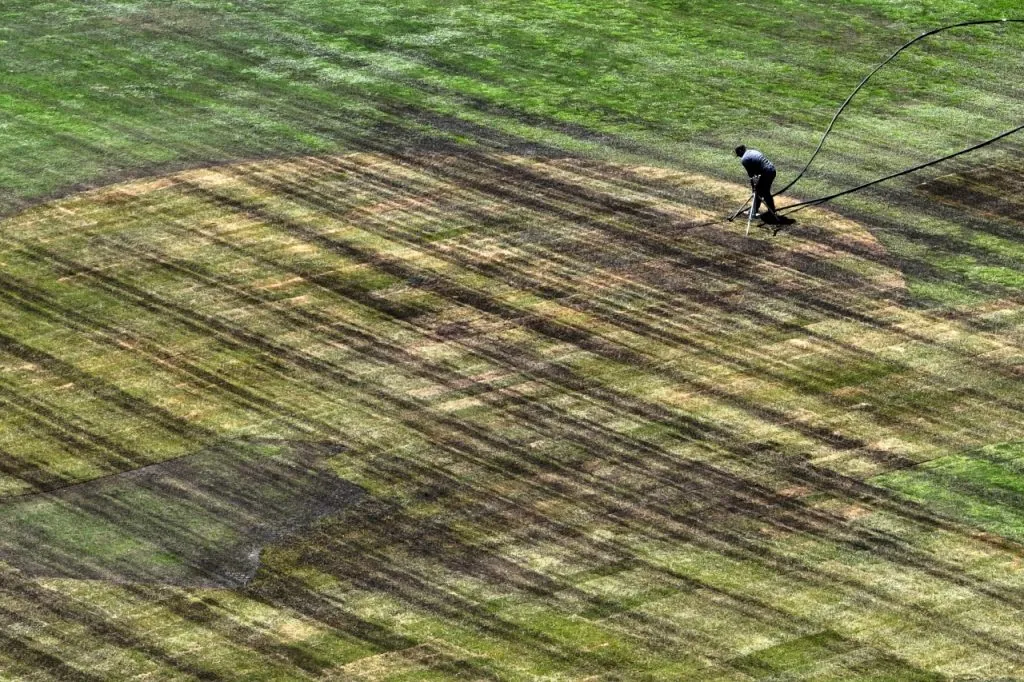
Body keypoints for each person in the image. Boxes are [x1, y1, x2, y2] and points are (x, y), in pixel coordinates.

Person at [735, 145, 781, 224]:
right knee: (761, 191)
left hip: (767, 172)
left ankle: (771, 212)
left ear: (740, 151)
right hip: (772, 170)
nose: (739, 156)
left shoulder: (744, 159)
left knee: (764, 192)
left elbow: (752, 176)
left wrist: (753, 188)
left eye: (738, 154)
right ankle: (756, 210)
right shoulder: (752, 151)